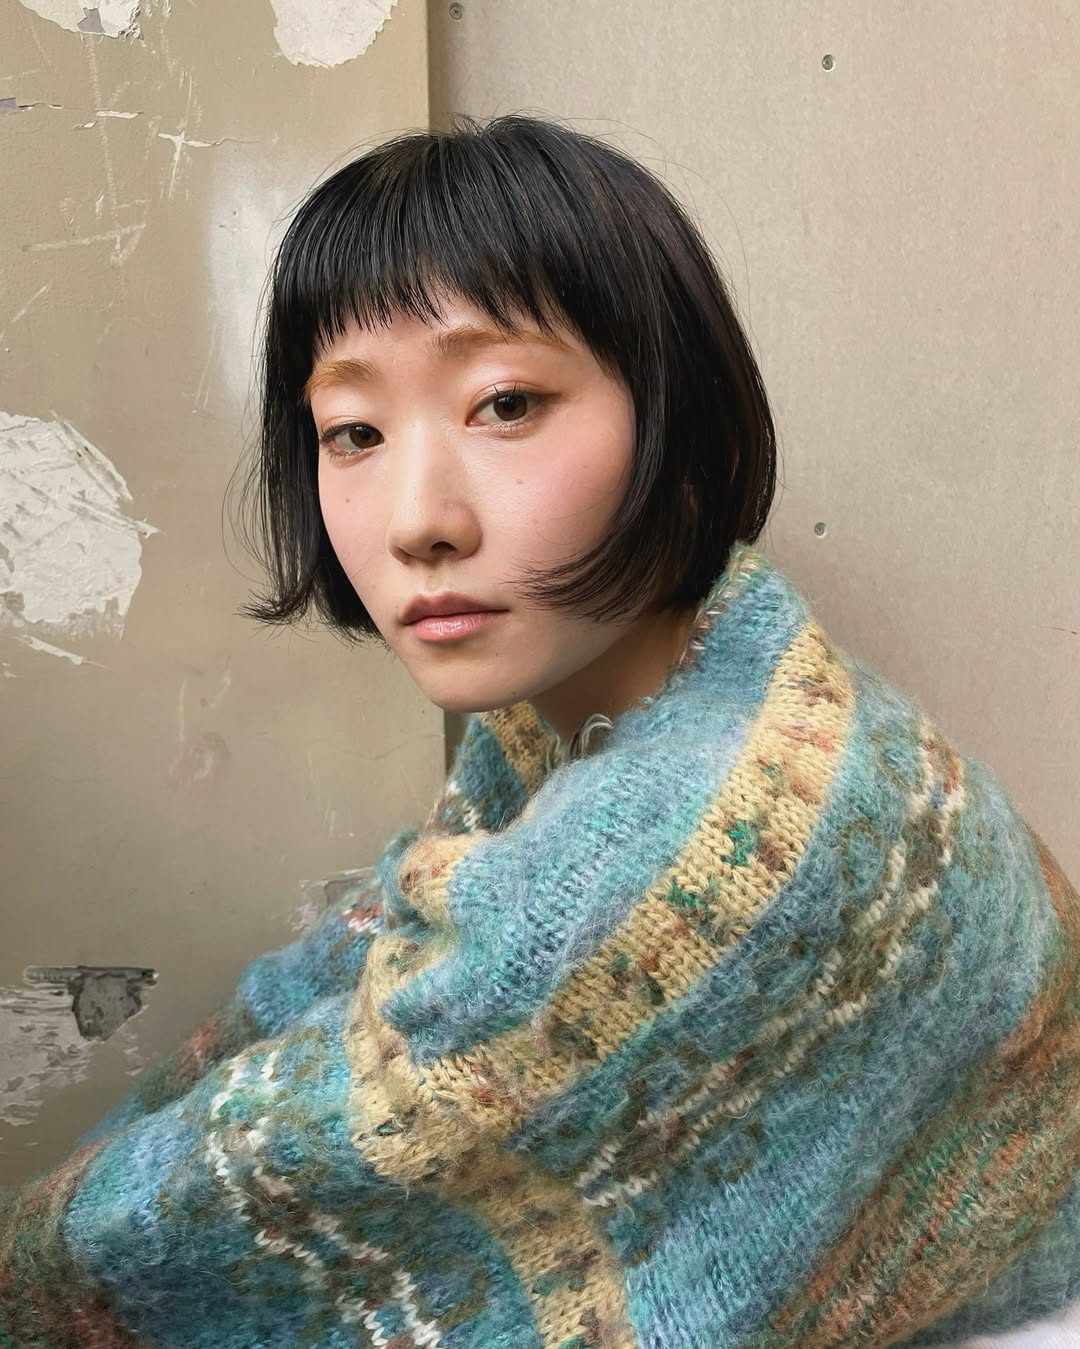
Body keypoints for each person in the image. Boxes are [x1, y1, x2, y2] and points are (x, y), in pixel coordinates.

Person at [2, 112, 1078, 1349]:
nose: (416, 519)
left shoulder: (684, 835)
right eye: (354, 432)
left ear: (691, 425)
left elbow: (226, 1216)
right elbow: (322, 986)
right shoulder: (633, 705)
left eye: (504, 403)